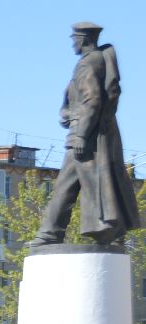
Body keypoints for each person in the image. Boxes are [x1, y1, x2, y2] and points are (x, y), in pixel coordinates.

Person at [35, 23, 141, 247]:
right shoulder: (97, 60)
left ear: (82, 39)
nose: (72, 42)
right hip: (95, 132)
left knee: (69, 184)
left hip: (86, 135)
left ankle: (51, 233)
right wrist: (67, 112)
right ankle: (108, 231)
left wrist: (81, 134)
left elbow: (92, 99)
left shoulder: (88, 63)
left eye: (74, 38)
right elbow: (80, 100)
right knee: (88, 182)